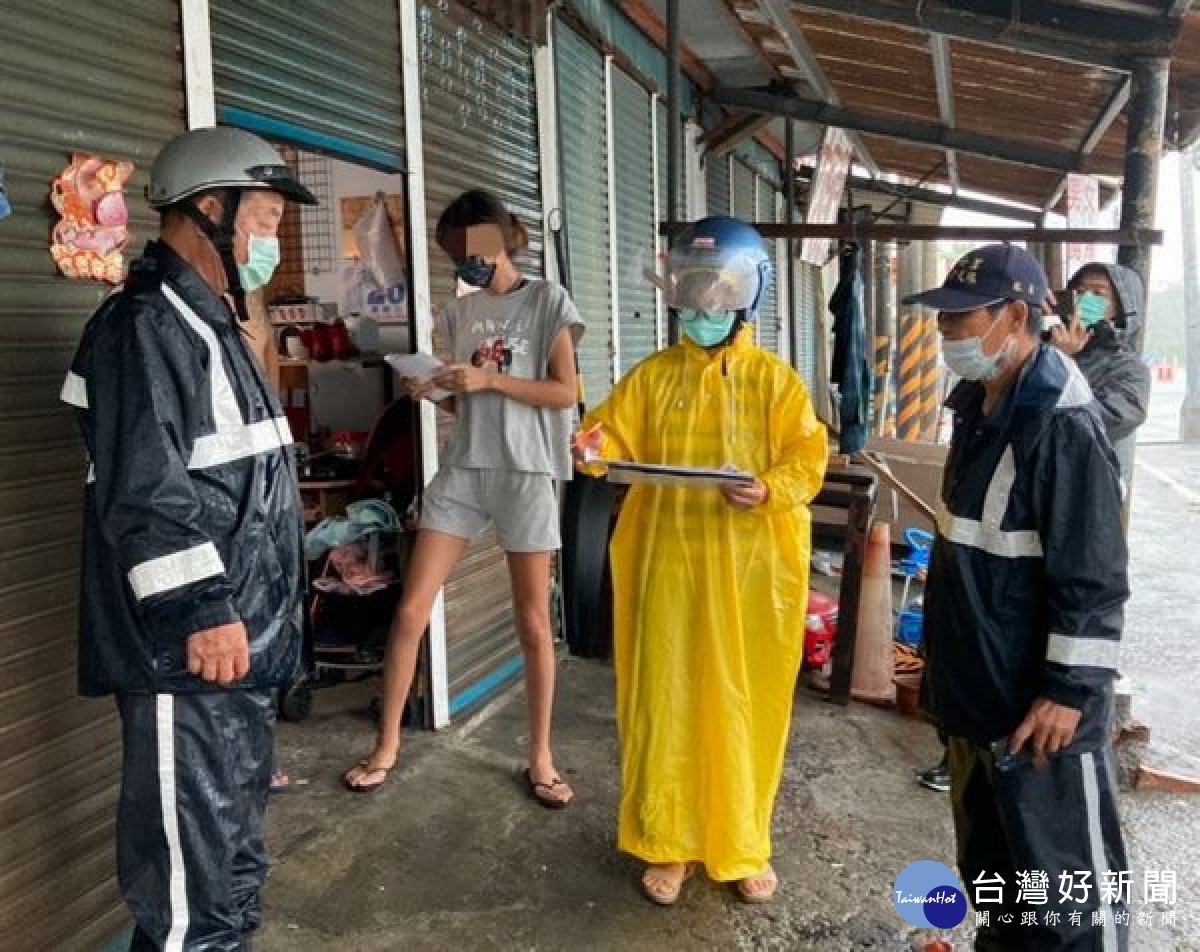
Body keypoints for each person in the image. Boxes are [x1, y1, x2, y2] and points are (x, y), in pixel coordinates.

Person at [61, 126, 315, 950]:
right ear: (212, 208)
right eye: (267, 218)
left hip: (241, 649)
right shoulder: (142, 328)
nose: (272, 240)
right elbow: (145, 496)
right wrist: (201, 609)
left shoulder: (211, 323)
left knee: (234, 870)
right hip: (189, 651)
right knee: (188, 901)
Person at [574, 216, 828, 905]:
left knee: (743, 707)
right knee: (666, 699)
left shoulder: (776, 383)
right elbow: (608, 436)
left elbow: (807, 458)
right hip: (665, 566)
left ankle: (742, 843)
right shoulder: (652, 377)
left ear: (747, 299)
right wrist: (589, 446)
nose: (704, 313)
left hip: (749, 573)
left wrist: (772, 488)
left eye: (718, 300)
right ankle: (668, 843)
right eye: (692, 298)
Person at [905, 244, 1131, 951]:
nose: (948, 337)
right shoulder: (978, 405)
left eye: (961, 322)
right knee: (999, 884)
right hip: (977, 697)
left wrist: (1068, 691)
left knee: (1069, 905)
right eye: (943, 324)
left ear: (1014, 316)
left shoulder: (1061, 421)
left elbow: (1092, 575)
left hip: (1040, 717)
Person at [343, 190, 583, 806]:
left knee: (532, 622)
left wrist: (488, 378)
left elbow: (564, 395)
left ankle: (540, 757)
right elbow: (465, 399)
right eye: (454, 251)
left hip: (527, 472)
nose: (463, 261)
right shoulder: (458, 314)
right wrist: (434, 389)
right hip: (464, 470)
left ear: (501, 238)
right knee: (409, 611)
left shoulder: (548, 301)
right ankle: (388, 744)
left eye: (470, 247)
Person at [1051, 262, 1152, 481]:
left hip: (1085, 481)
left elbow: (1095, 425)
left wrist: (1060, 363)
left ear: (1121, 306)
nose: (1085, 300)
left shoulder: (1130, 368)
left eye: (1098, 293)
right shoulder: (1047, 344)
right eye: (1078, 292)